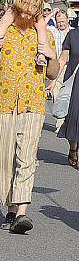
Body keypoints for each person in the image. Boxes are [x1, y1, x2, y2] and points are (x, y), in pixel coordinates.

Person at [0, 0, 59, 234]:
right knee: (4, 160)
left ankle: (21, 212)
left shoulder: (45, 35)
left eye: (30, 12)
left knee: (27, 158)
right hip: (4, 103)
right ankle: (11, 208)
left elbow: (52, 73)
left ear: (37, 12)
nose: (25, 16)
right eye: (21, 11)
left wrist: (51, 57)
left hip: (33, 104)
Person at [56, 24, 79, 168]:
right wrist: (53, 81)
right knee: (73, 118)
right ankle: (73, 148)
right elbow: (63, 59)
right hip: (74, 82)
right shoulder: (72, 35)